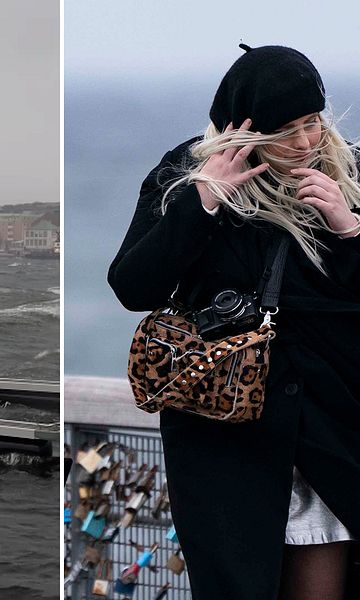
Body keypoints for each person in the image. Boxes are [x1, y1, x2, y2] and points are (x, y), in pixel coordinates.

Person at [108, 45, 360, 600]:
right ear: (242, 130)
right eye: (285, 129)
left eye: (312, 123)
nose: (303, 142)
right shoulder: (186, 174)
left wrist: (348, 229)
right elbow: (132, 286)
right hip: (225, 440)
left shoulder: (349, 172)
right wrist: (205, 199)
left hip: (330, 433)